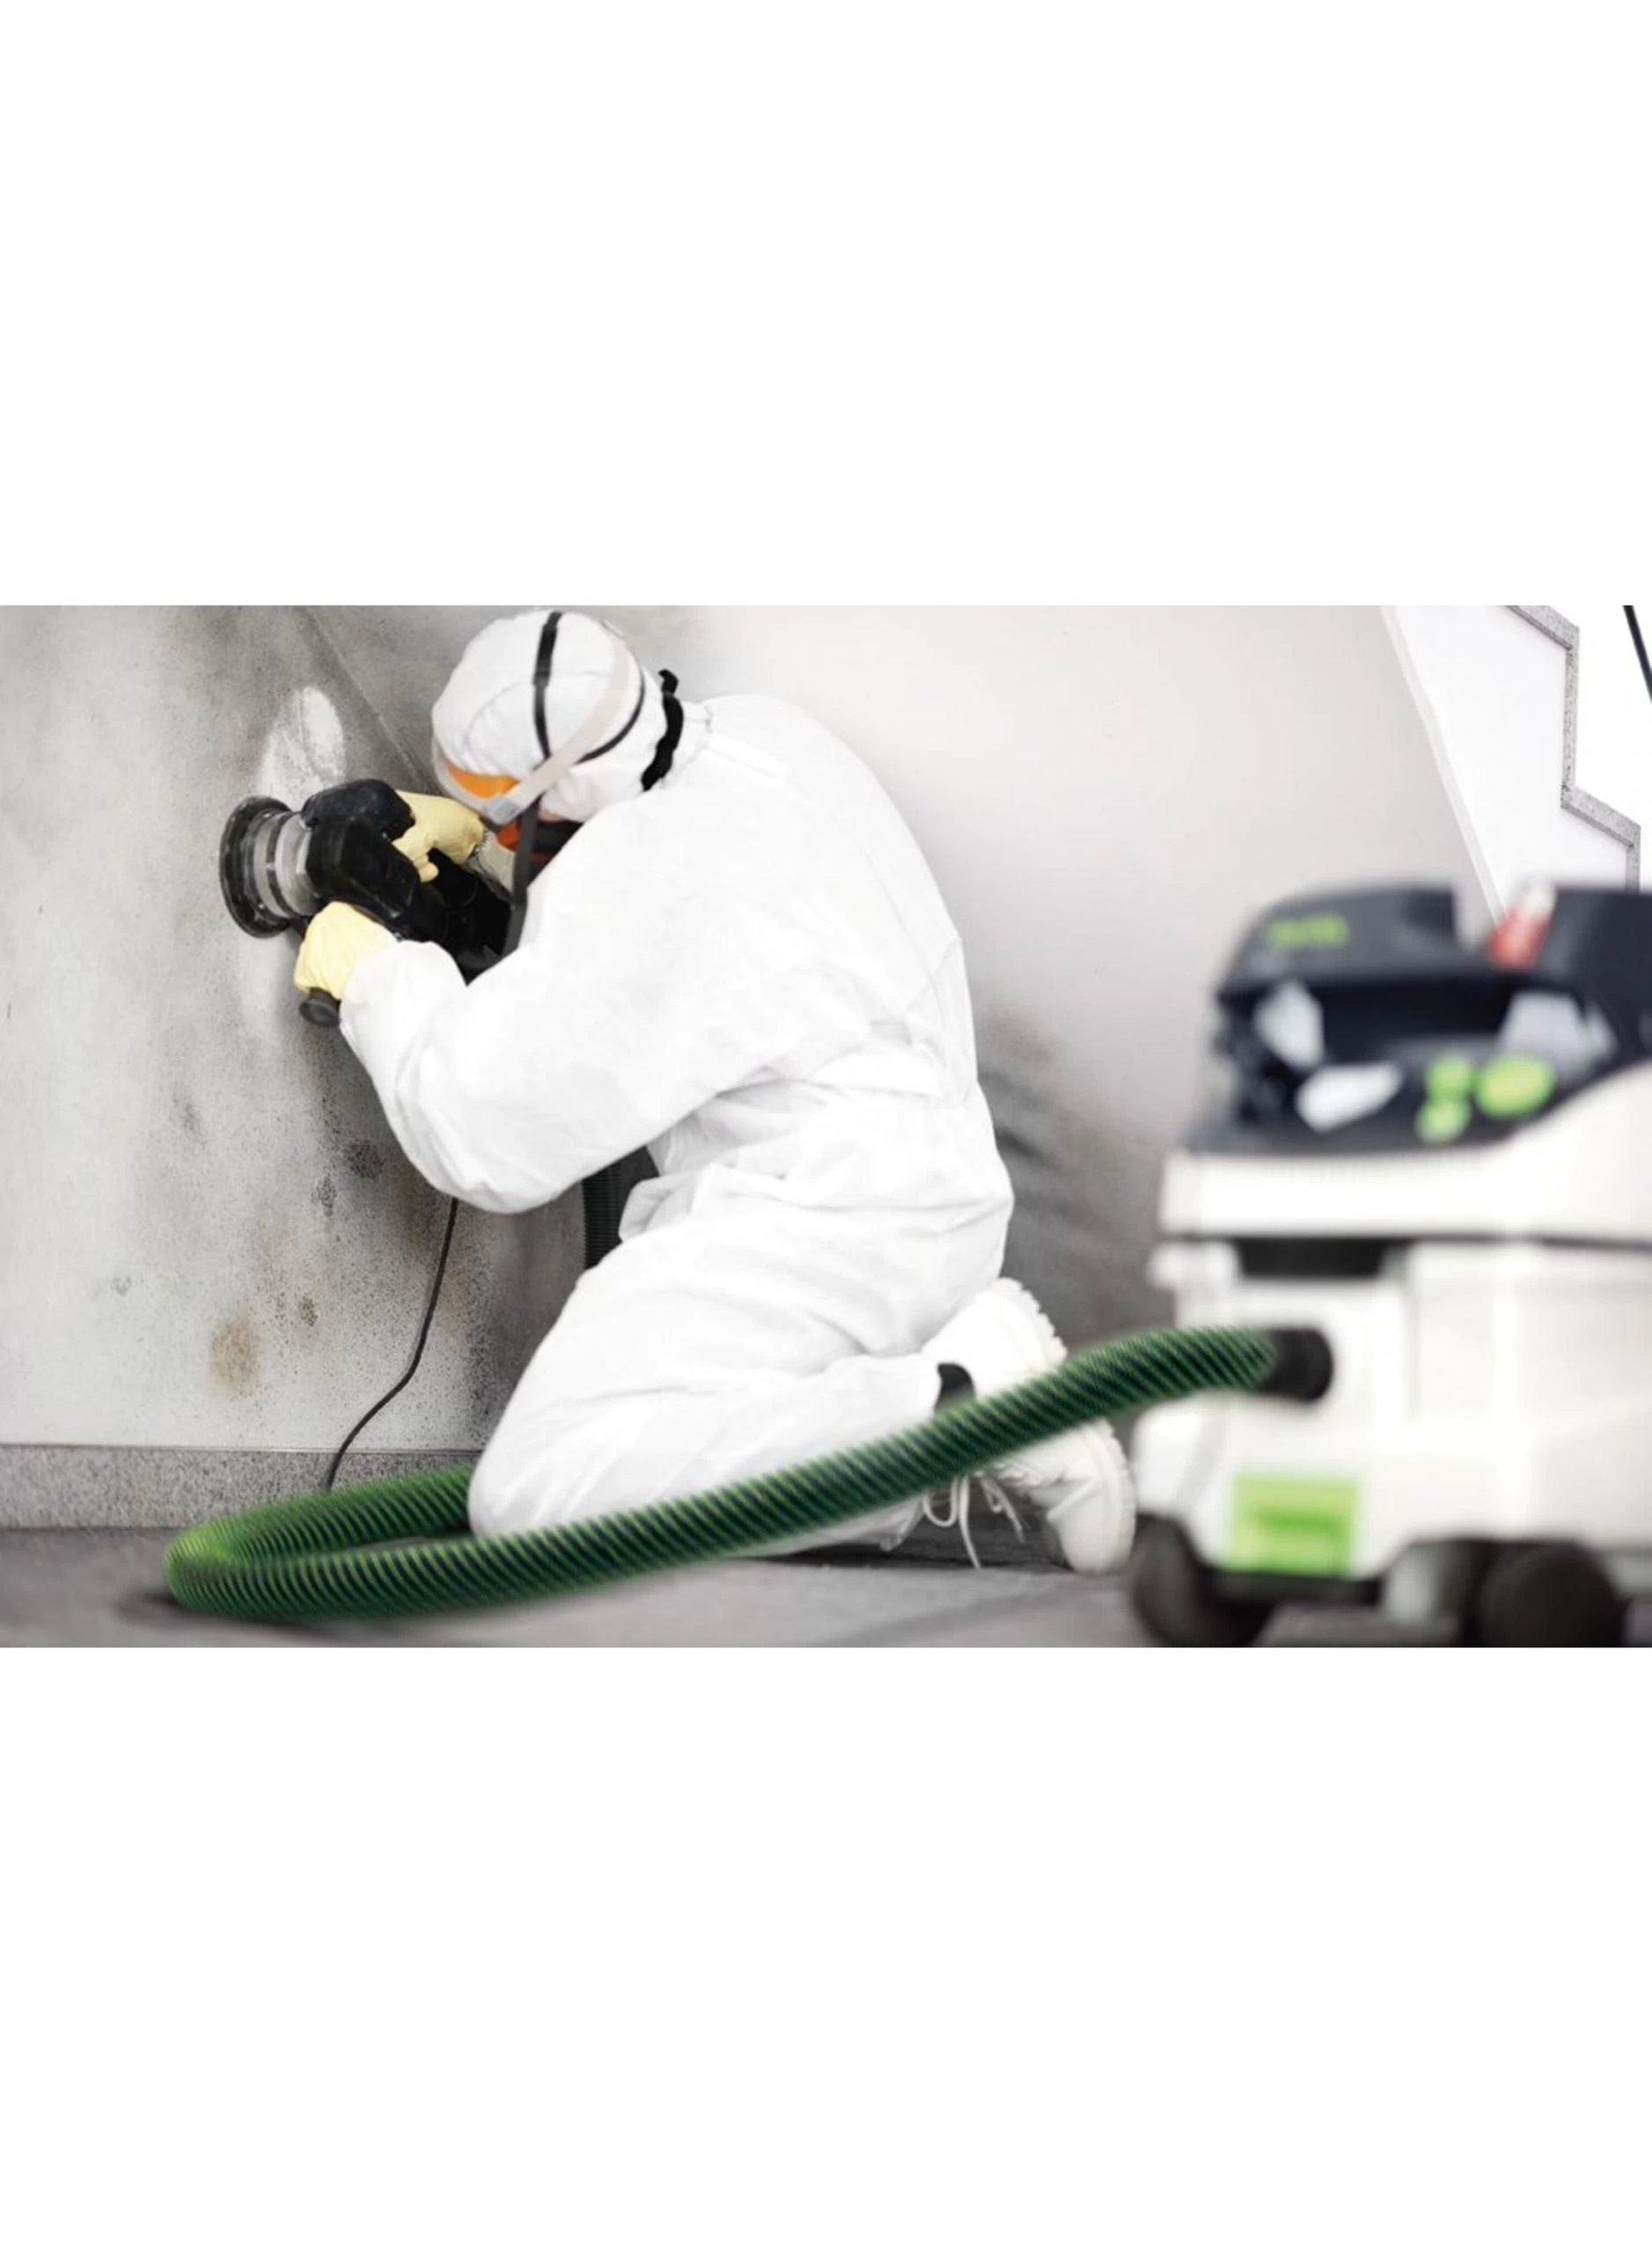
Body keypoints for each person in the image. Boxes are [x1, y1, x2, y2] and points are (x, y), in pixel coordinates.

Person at [294, 609, 1134, 1567]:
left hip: (816, 1224)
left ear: (560, 794)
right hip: (919, 1202)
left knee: (536, 1491)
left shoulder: (653, 881)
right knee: (663, 1443)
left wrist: (380, 980)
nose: (506, 833)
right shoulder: (762, 737)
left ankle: (964, 1400)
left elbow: (480, 1129)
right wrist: (488, 853)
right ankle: (938, 1405)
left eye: (505, 814)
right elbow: (668, 920)